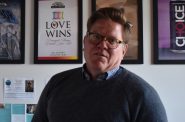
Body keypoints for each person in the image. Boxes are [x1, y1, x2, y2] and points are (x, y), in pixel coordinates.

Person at [32, 7, 168, 122]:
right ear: (85, 41)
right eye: (96, 37)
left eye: (112, 40)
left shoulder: (143, 95)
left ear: (124, 50)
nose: (102, 45)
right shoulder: (56, 83)